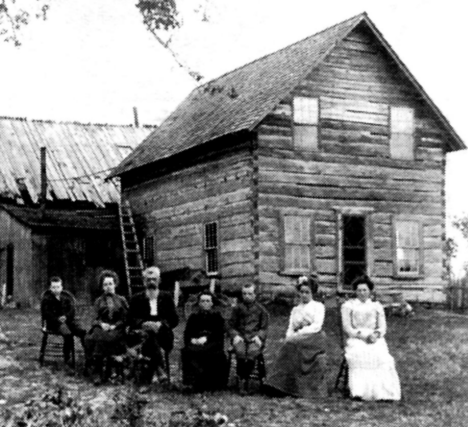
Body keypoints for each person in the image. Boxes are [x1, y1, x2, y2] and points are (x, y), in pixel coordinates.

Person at [265, 275, 328, 398]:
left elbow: (316, 326)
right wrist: (290, 336)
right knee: (288, 345)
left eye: (307, 292)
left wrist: (298, 335)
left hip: (314, 337)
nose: (304, 295)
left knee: (291, 344)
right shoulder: (295, 309)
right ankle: (280, 385)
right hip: (297, 339)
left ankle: (277, 384)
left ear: (312, 293)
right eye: (302, 292)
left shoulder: (318, 306)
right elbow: (290, 327)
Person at [341, 275, 401, 401]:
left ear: (370, 291)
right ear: (355, 292)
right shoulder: (349, 306)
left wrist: (376, 334)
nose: (362, 293)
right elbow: (348, 328)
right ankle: (359, 391)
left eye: (365, 290)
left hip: (374, 338)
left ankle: (383, 393)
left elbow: (382, 327)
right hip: (356, 337)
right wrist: (363, 336)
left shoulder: (376, 306)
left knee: (382, 357)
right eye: (359, 290)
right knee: (360, 354)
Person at [127, 266, 179, 386]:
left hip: (163, 334)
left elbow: (174, 319)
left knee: (149, 337)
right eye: (148, 279)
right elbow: (129, 319)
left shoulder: (166, 297)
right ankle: (160, 370)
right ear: (144, 281)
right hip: (141, 333)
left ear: (159, 280)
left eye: (154, 279)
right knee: (148, 335)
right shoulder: (136, 298)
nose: (151, 282)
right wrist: (142, 323)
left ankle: (153, 373)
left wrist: (162, 324)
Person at [85, 270, 128, 385]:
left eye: (110, 284)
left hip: (117, 327)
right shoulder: (99, 301)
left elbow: (126, 318)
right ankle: (98, 372)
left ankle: (111, 370)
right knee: (99, 336)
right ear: (102, 287)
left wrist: (115, 325)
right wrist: (101, 324)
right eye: (105, 284)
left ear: (115, 284)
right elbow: (94, 318)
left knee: (112, 337)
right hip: (102, 327)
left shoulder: (121, 300)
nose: (108, 287)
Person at [181, 291, 228, 392]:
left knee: (210, 352)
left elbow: (219, 335)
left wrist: (206, 339)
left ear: (212, 303)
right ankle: (190, 382)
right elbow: (187, 334)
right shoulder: (193, 318)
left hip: (213, 344)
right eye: (202, 301)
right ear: (199, 303)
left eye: (208, 301)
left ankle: (206, 382)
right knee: (187, 351)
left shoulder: (217, 317)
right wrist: (193, 339)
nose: (205, 303)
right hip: (196, 343)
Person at [229, 283, 269, 393]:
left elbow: (264, 327)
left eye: (250, 294)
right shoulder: (237, 309)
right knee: (240, 352)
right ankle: (242, 379)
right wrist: (235, 335)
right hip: (240, 337)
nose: (247, 296)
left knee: (252, 352)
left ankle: (245, 379)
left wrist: (259, 337)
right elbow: (230, 325)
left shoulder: (261, 310)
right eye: (244, 294)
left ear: (255, 295)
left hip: (254, 337)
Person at [40, 276, 86, 368]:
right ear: (50, 288)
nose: (56, 289)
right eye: (53, 287)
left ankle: (89, 356)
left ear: (61, 287)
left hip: (68, 321)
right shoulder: (47, 299)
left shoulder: (66, 298)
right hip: (54, 324)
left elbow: (72, 310)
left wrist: (66, 317)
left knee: (82, 332)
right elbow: (46, 313)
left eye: (58, 287)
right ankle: (67, 356)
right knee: (68, 334)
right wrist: (57, 319)